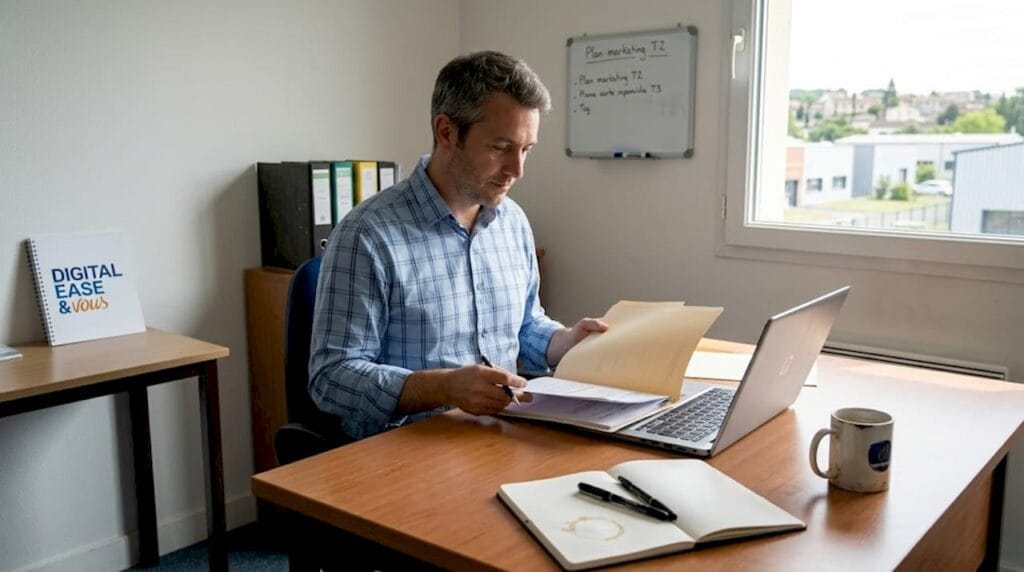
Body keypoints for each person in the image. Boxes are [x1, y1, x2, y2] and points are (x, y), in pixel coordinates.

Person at [308, 51, 607, 441]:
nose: (517, 170)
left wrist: (565, 343)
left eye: (526, 149)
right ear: (447, 132)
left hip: (499, 436)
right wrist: (445, 387)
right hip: (404, 451)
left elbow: (524, 327)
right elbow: (332, 377)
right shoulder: (367, 235)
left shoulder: (512, 221)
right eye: (501, 148)